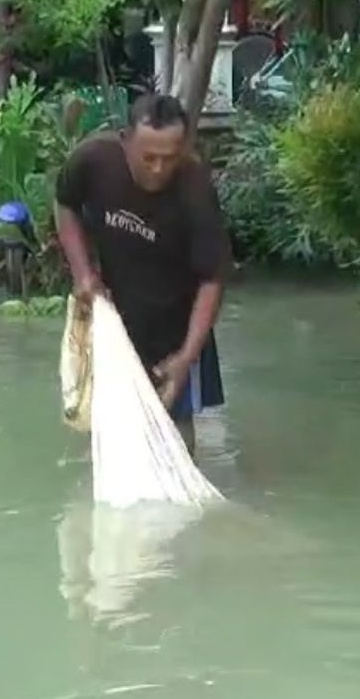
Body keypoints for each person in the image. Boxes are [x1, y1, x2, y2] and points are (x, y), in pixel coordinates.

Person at [54, 94, 229, 452]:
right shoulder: (93, 159)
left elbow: (213, 279)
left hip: (178, 326)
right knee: (110, 429)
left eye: (170, 158)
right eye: (148, 157)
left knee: (175, 433)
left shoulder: (195, 187)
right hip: (116, 316)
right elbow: (65, 204)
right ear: (126, 139)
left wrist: (186, 358)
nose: (158, 169)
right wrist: (83, 274)